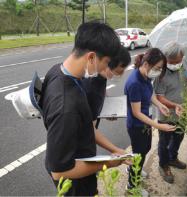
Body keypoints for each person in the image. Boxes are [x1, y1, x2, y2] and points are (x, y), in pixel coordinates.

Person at [39, 21, 128, 196]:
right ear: (92, 57)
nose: (105, 69)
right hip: (74, 184)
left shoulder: (58, 71)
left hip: (83, 168)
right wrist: (108, 163)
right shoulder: (66, 107)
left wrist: (113, 150)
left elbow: (86, 126)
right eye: (107, 62)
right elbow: (59, 171)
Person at [124, 48, 176, 195]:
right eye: (158, 68)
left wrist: (160, 105)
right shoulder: (134, 82)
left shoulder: (146, 76)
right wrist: (158, 125)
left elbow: (150, 94)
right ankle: (132, 186)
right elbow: (136, 112)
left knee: (145, 149)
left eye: (160, 69)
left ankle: (133, 169)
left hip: (145, 124)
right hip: (136, 125)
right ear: (146, 64)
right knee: (138, 155)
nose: (158, 72)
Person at [153, 41, 187, 184]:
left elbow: (186, 79)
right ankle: (164, 165)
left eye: (179, 61)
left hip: (183, 111)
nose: (176, 64)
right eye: (173, 62)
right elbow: (159, 97)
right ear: (166, 59)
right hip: (166, 114)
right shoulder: (160, 72)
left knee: (179, 137)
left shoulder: (183, 63)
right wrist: (175, 105)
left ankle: (173, 158)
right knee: (164, 142)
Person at [82, 45, 131, 129]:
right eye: (118, 72)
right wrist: (110, 143)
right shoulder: (92, 89)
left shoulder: (101, 76)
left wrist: (107, 110)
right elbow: (91, 131)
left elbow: (103, 91)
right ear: (107, 64)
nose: (121, 75)